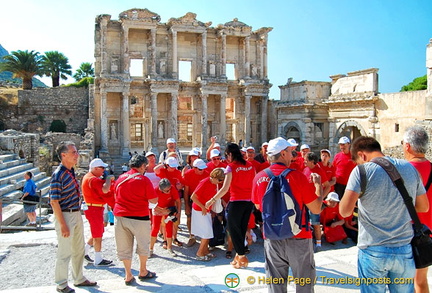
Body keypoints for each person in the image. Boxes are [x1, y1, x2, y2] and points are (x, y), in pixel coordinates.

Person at [340, 136, 429, 293]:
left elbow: (344, 211)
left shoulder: (361, 171)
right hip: (403, 248)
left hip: (373, 249)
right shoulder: (409, 168)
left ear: (361, 155)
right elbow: (423, 207)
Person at [251, 137, 323, 293]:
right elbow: (316, 209)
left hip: (272, 237)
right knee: (304, 285)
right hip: (299, 236)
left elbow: (258, 205)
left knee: (276, 286)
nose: (293, 155)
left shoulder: (259, 177)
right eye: (291, 152)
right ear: (283, 154)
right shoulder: (298, 177)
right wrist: (318, 186)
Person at [49, 141, 97, 293]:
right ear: (64, 155)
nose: (77, 155)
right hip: (65, 215)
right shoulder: (58, 175)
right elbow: (54, 201)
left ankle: (79, 278)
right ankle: (61, 284)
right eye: (73, 152)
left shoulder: (70, 172)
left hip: (75, 213)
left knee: (78, 249)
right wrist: (62, 224)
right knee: (65, 252)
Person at [114, 154, 163, 285]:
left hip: (120, 217)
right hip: (139, 217)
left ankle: (128, 274)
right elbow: (153, 199)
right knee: (143, 245)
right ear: (142, 166)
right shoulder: (143, 179)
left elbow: (115, 195)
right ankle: (143, 270)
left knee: (124, 247)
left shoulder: (120, 178)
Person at [205, 143, 256, 269]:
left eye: (227, 155)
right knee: (242, 229)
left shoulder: (230, 167)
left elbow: (224, 188)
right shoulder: (250, 166)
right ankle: (237, 257)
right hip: (248, 202)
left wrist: (212, 200)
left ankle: (242, 256)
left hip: (236, 201)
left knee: (233, 230)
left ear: (230, 154)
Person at [402, 125, 432, 293]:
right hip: (428, 234)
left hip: (406, 234)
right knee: (421, 280)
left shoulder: (404, 171)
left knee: (403, 282)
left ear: (407, 146)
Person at [82, 158, 115, 266]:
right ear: (95, 168)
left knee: (97, 231)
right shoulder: (93, 179)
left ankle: (85, 251)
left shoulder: (88, 177)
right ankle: (98, 259)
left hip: (94, 208)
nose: (103, 170)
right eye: (102, 168)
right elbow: (105, 190)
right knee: (97, 235)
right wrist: (109, 179)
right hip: (94, 208)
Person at [191, 168, 226, 261]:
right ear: (214, 177)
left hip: (206, 210)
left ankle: (205, 251)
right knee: (206, 233)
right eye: (219, 180)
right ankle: (199, 253)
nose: (220, 182)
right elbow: (193, 197)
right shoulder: (205, 182)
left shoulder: (214, 184)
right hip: (200, 210)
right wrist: (203, 207)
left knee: (209, 232)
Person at [303, 152, 329, 251]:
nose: (304, 161)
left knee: (315, 223)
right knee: (306, 223)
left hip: (314, 202)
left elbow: (327, 186)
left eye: (306, 160)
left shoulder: (319, 171)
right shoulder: (305, 169)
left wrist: (321, 198)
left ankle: (318, 244)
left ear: (312, 162)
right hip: (305, 201)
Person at [149, 179, 180, 257]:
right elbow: (151, 203)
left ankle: (169, 247)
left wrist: (178, 212)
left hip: (169, 208)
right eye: (166, 191)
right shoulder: (155, 190)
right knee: (155, 228)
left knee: (169, 227)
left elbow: (178, 200)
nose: (169, 192)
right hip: (158, 208)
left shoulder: (172, 189)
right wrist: (161, 210)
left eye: (169, 190)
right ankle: (150, 249)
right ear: (160, 188)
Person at [183, 159, 209, 247]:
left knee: (204, 217)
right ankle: (192, 236)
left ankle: (204, 237)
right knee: (189, 217)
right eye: (200, 169)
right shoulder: (188, 174)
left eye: (203, 169)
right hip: (192, 197)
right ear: (194, 168)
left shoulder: (207, 173)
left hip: (203, 198)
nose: (203, 171)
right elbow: (186, 191)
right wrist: (186, 205)